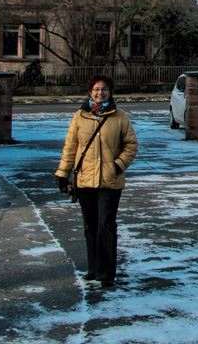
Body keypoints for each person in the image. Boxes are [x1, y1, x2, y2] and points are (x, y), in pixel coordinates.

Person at [55, 76, 138, 286]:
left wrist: (117, 165)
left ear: (110, 92)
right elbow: (70, 147)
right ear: (90, 92)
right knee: (90, 226)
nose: (100, 93)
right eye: (96, 89)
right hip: (85, 180)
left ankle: (106, 272)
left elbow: (131, 145)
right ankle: (93, 268)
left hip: (110, 181)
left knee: (106, 226)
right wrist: (63, 173)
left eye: (104, 89)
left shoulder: (120, 117)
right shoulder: (79, 116)